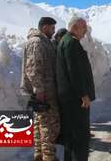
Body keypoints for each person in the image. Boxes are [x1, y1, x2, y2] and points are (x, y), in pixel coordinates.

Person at [56, 16, 95, 161]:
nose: (85, 31)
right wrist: (83, 94)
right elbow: (75, 72)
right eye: (83, 28)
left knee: (71, 137)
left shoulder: (66, 41)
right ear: (75, 27)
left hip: (69, 98)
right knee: (80, 136)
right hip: (75, 100)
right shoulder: (71, 43)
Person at [21, 17, 60, 161]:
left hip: (43, 90)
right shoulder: (37, 42)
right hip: (44, 91)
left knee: (40, 123)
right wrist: (39, 90)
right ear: (44, 27)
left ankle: (40, 156)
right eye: (52, 28)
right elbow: (33, 69)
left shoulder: (42, 41)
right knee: (49, 126)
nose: (53, 31)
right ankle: (49, 157)